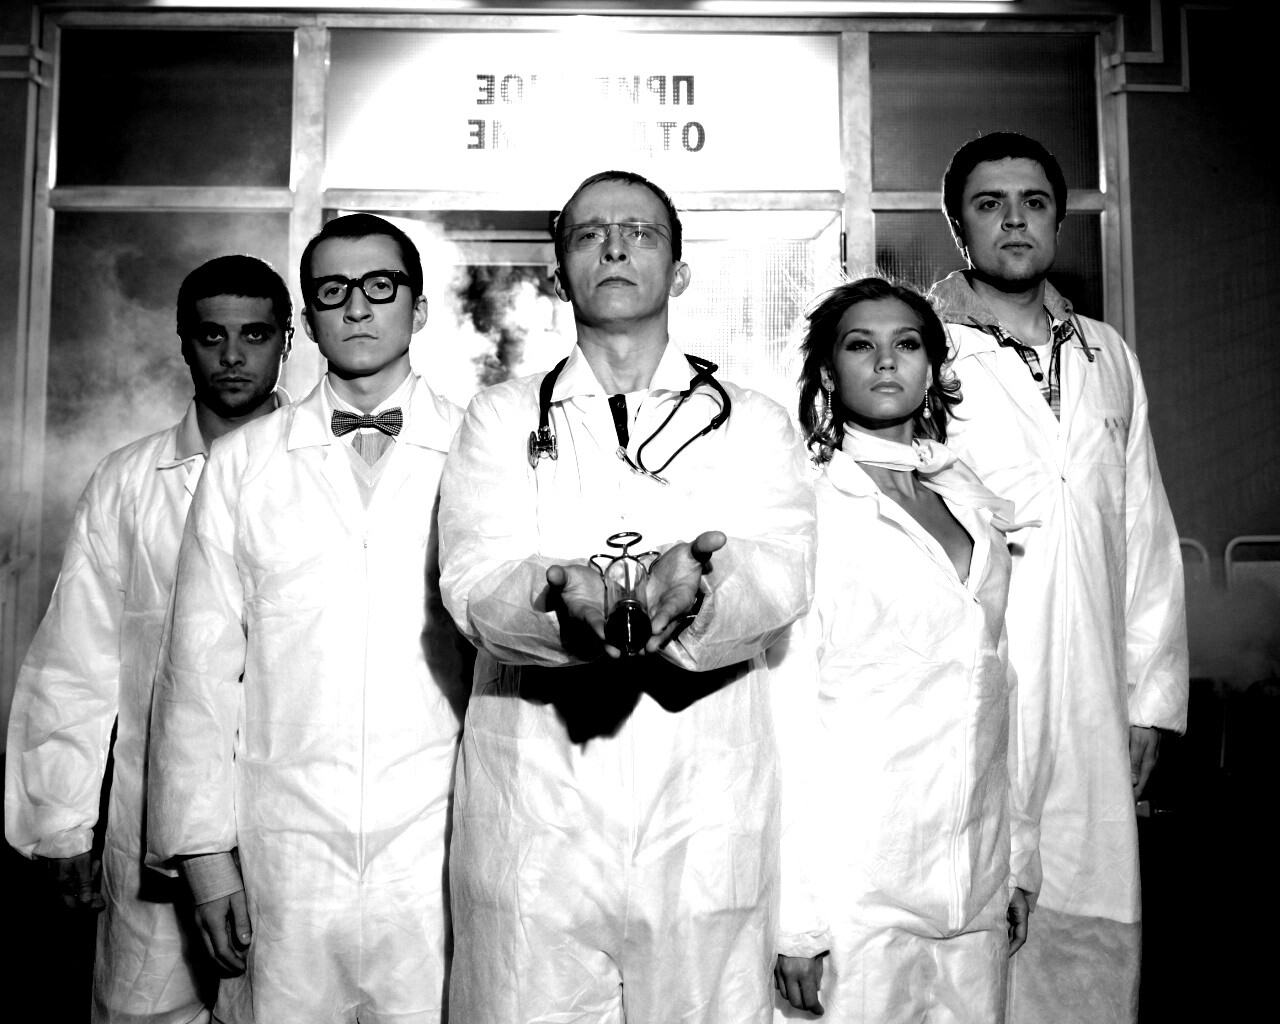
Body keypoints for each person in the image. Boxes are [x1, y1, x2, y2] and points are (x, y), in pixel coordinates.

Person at [438, 169, 815, 1024]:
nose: (614, 247)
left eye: (639, 232)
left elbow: (783, 574)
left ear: (679, 271)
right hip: (537, 815)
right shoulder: (499, 420)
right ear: (560, 273)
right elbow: (473, 583)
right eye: (589, 234)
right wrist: (558, 604)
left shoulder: (753, 422)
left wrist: (701, 595)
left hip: (703, 810)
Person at [146, 214, 467, 1024]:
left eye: (380, 286)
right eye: (332, 291)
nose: (357, 307)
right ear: (310, 322)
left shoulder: (480, 451)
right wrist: (205, 858)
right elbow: (197, 675)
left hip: (440, 837)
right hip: (283, 843)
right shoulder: (241, 465)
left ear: (420, 309)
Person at [930, 132, 1189, 1024]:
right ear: (958, 226)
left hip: (1090, 687)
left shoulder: (1107, 353)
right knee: (968, 924)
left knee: (1088, 913)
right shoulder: (918, 352)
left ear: (1059, 220)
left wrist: (1150, 699)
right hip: (970, 683)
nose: (1014, 222)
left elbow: (1143, 526)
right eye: (990, 204)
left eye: (1033, 203)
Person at [5, 254, 292, 1024]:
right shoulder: (128, 481)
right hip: (151, 824)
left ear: (287, 340)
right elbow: (77, 656)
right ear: (183, 342)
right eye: (211, 335)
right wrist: (60, 818)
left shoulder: (324, 474)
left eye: (255, 334)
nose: (232, 355)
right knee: (143, 1013)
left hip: (291, 818)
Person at [771, 277, 1040, 1023]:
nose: (886, 361)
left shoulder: (972, 505)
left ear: (931, 368)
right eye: (861, 345)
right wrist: (797, 918)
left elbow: (1000, 692)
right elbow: (785, 716)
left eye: (907, 344)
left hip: (973, 882)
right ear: (829, 374)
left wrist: (1017, 857)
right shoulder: (811, 508)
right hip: (858, 888)